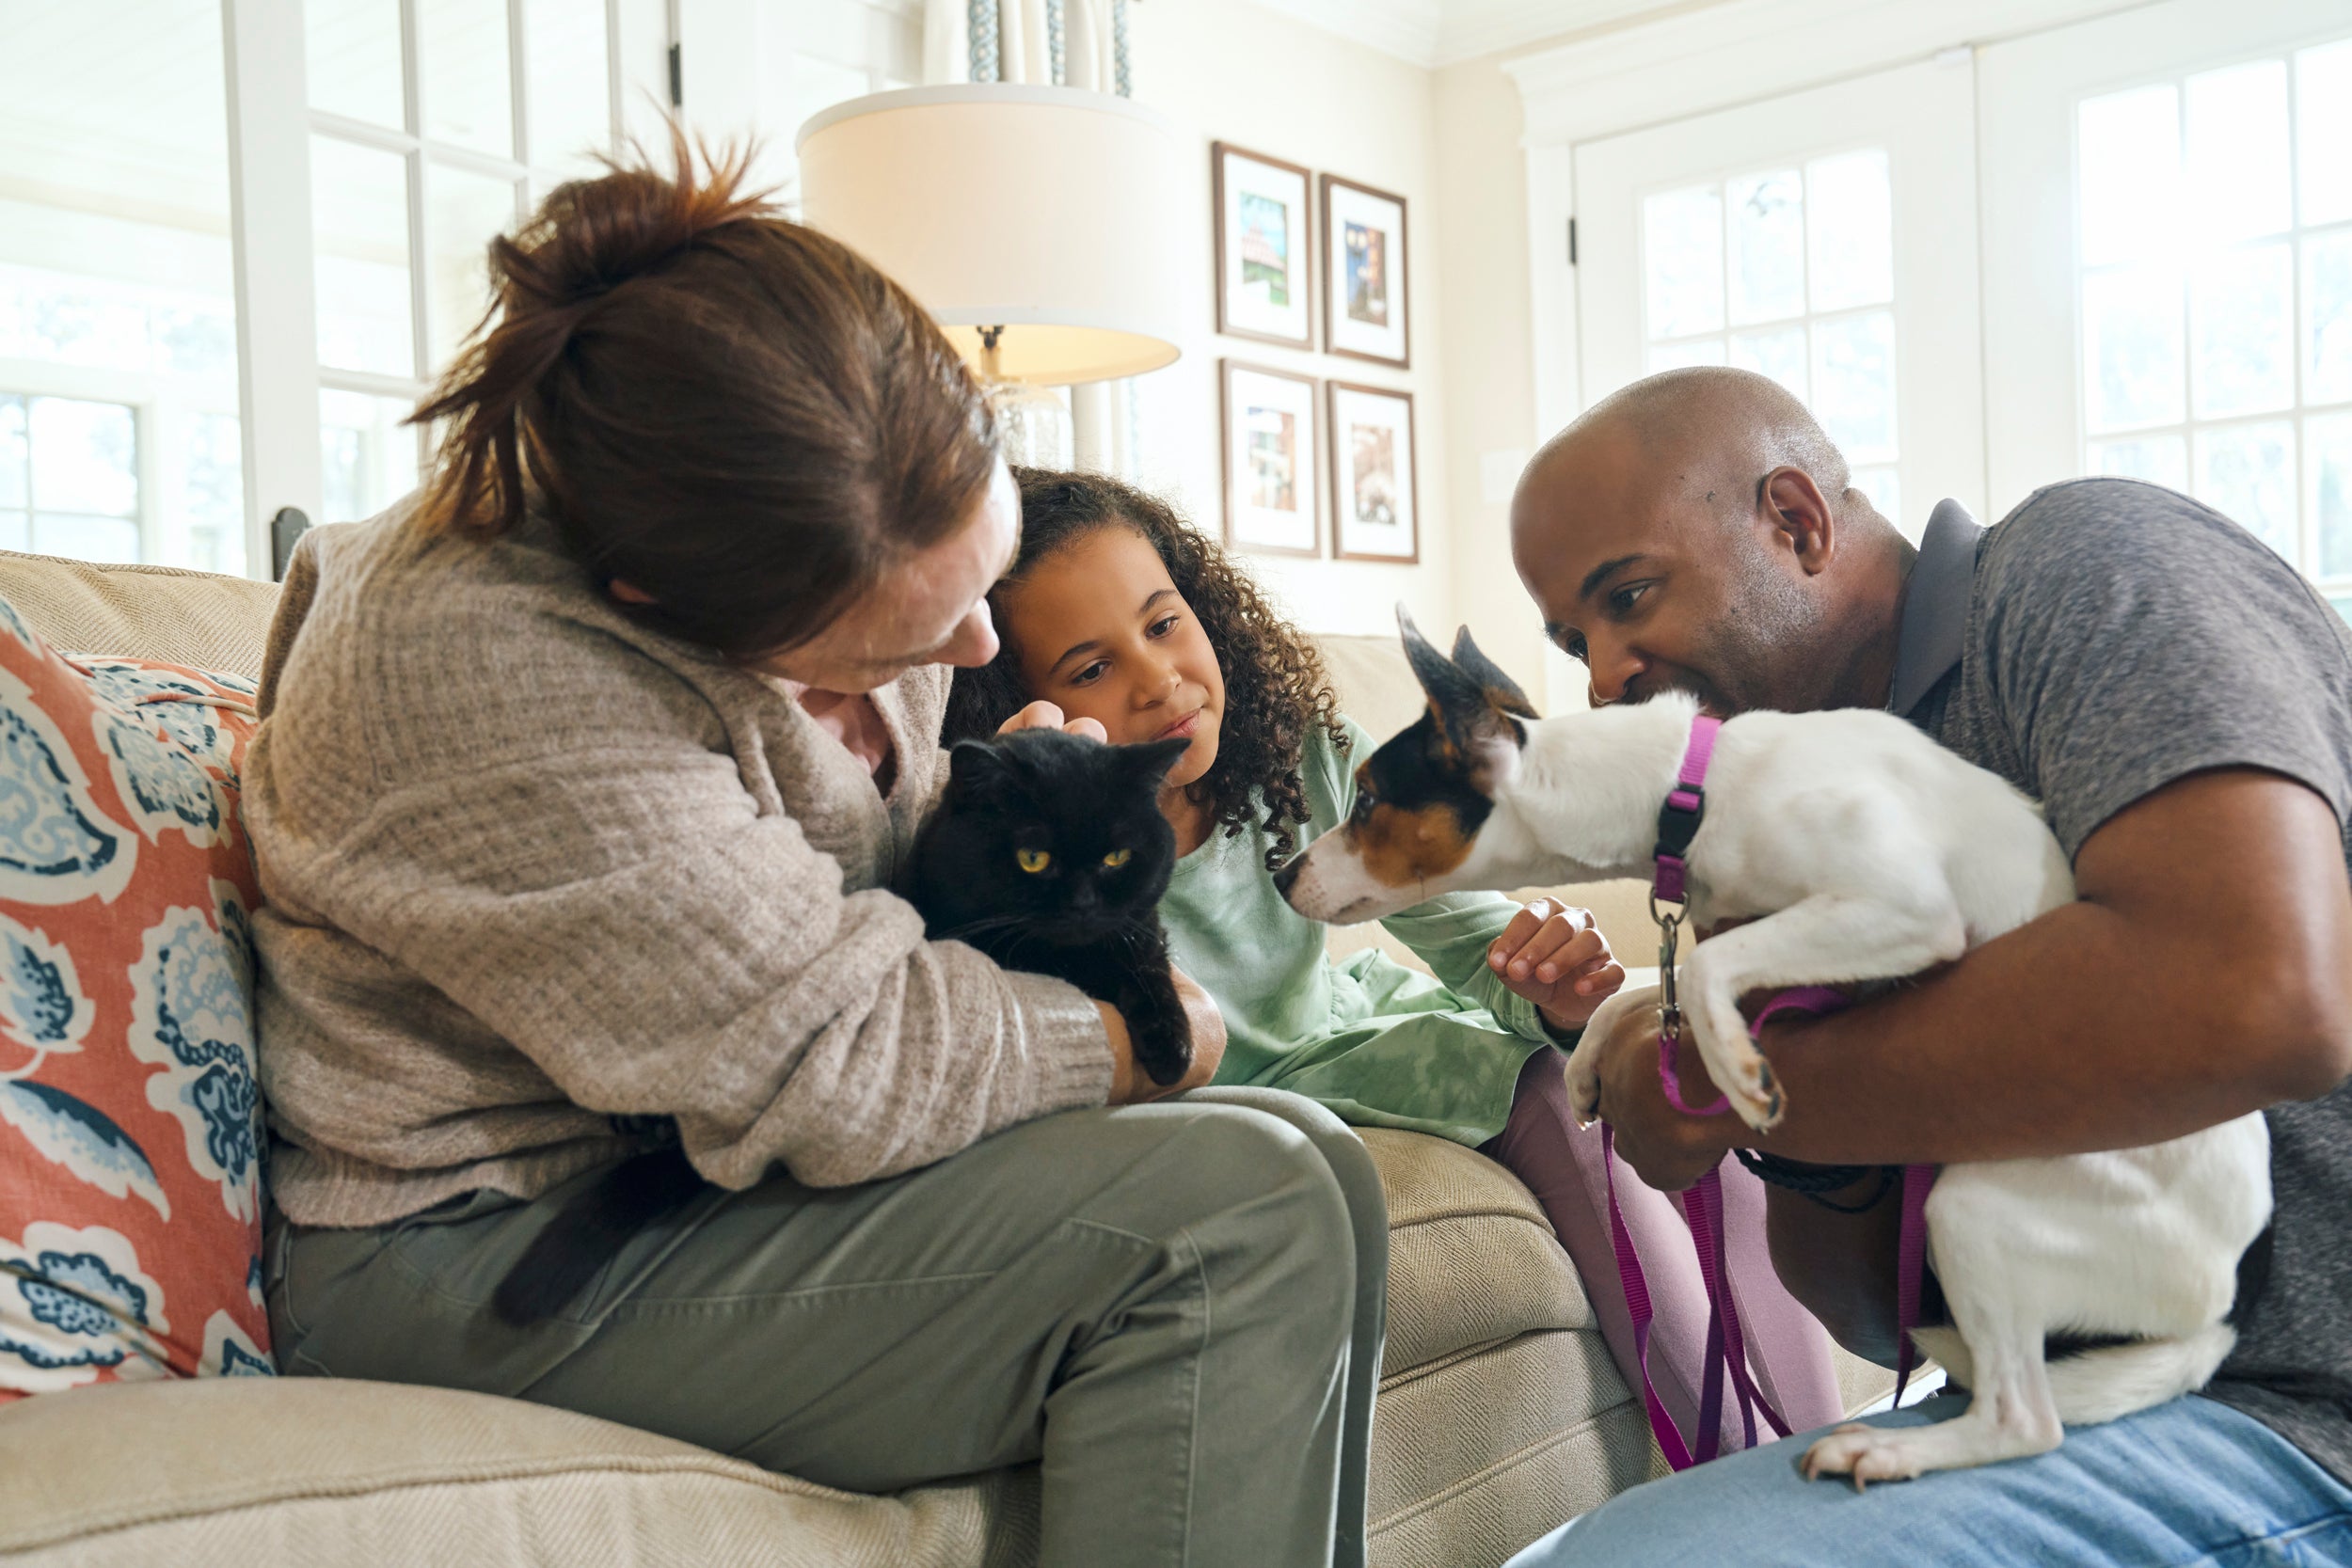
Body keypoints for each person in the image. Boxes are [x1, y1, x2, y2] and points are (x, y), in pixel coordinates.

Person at [246, 139, 1390, 1568]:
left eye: (984, 574)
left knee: (1314, 1159)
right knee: (1244, 1211)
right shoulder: (479, 665)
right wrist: (1140, 1036)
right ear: (663, 604)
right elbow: (833, 1056)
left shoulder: (843, 494)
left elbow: (853, 895)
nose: (972, 652)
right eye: (903, 644)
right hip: (484, 1239)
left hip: (705, 1156)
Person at [1504, 366, 2352, 1566]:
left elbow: (2261, 994)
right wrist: (1773, 1102)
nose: (1601, 675)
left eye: (1628, 596)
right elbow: (1869, 1311)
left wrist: (1721, 1077)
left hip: (2301, 1410)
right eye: (1571, 640)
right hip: (2052, 1409)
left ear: (1795, 521)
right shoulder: (1766, 830)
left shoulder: (2081, 566)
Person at [945, 467, 1850, 1453]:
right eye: (1089, 668)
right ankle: (1737, 1472)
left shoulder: (1298, 748)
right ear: (1023, 703)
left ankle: (1820, 1456)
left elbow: (1473, 944)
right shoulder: (1044, 860)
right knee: (1561, 1097)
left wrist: (1554, 992)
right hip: (1247, 1099)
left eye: (1163, 624)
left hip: (1362, 1030)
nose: (1157, 678)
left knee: (1662, 1083)